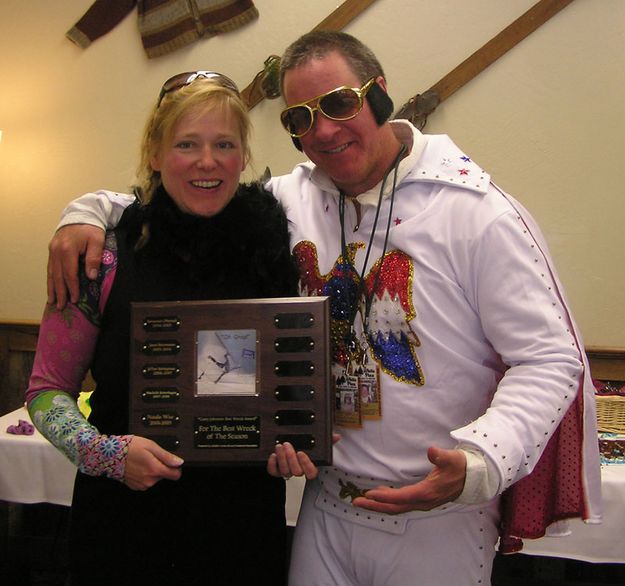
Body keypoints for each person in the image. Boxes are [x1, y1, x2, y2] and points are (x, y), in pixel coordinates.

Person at [46, 33, 601, 586]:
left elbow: (552, 358)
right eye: (301, 118)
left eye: (340, 103)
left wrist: (483, 462)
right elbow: (191, 195)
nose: (325, 130)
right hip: (323, 512)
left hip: (435, 516)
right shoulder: (293, 199)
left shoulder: (479, 214)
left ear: (379, 94)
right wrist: (87, 211)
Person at [28, 71, 298, 586]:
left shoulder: (276, 252)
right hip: (124, 527)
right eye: (186, 144)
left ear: (243, 156)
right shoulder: (99, 258)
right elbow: (46, 393)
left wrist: (294, 438)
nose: (207, 161)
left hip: (240, 530)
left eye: (224, 144)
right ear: (154, 153)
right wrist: (103, 453)